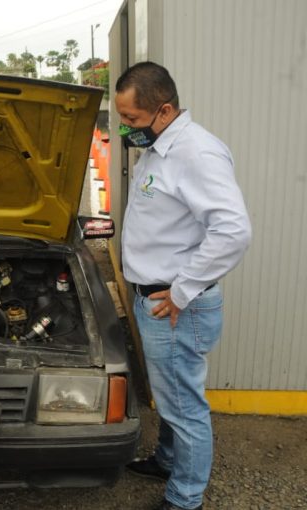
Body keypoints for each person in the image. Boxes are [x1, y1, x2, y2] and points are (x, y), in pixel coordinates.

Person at [115, 62, 251, 510]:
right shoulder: (161, 149)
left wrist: (180, 291)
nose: (126, 128)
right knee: (172, 394)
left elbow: (232, 230)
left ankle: (184, 498)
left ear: (164, 109)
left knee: (185, 407)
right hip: (156, 299)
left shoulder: (196, 152)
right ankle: (168, 461)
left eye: (132, 119)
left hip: (173, 305)